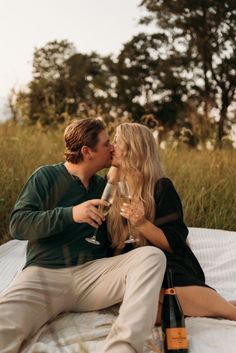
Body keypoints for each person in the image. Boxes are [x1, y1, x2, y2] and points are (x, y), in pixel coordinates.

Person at [0, 118, 166, 353]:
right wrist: (71, 214)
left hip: (93, 276)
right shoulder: (46, 176)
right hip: (45, 275)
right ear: (87, 151)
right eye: (107, 143)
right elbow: (18, 224)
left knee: (152, 256)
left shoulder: (104, 186)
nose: (113, 148)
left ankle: (123, 348)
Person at [107, 122, 236, 323]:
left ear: (134, 150)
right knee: (151, 314)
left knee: (162, 290)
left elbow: (173, 243)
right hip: (136, 268)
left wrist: (142, 224)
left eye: (117, 141)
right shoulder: (110, 190)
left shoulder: (161, 188)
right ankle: (223, 305)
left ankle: (229, 311)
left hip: (170, 262)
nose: (111, 146)